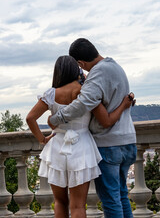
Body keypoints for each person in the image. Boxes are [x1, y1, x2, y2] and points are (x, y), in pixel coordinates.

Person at [48, 39, 137, 218]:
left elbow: (83, 103)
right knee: (122, 196)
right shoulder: (116, 67)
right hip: (128, 141)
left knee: (111, 201)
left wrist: (56, 119)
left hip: (108, 144)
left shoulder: (98, 73)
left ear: (80, 63)